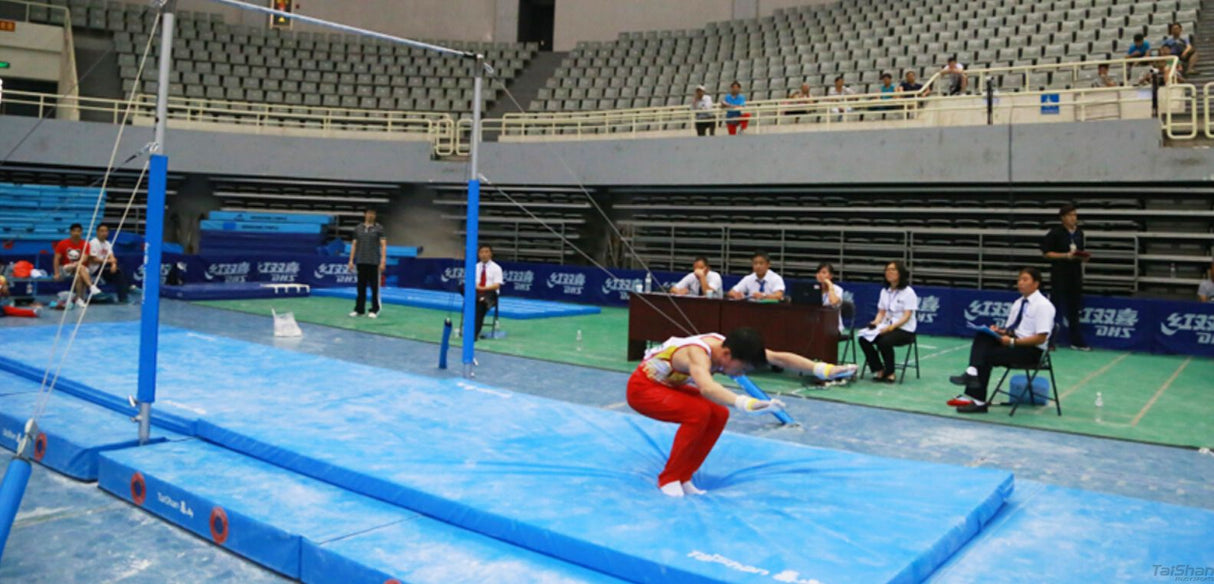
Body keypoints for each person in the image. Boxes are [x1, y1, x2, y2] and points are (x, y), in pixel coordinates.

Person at [627, 327, 857, 496]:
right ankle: (668, 478)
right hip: (642, 389)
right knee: (698, 413)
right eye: (743, 366)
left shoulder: (729, 347)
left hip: (669, 387)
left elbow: (778, 357)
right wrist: (745, 403)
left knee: (719, 414)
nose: (743, 371)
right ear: (727, 355)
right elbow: (707, 388)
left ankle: (684, 476)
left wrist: (824, 369)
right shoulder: (696, 354)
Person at [947, 268, 1055, 414]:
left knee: (984, 356)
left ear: (1036, 284)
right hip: (1014, 343)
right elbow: (1012, 330)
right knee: (983, 336)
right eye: (1019, 280)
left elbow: (1041, 337)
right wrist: (1000, 331)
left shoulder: (1043, 306)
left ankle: (978, 399)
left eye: (1025, 280)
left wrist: (1012, 342)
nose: (1020, 283)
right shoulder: (1018, 303)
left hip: (1030, 351)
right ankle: (972, 374)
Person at [858, 261, 918, 383]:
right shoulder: (885, 291)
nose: (889, 272)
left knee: (884, 341)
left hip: (904, 330)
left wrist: (890, 328)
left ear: (900, 273)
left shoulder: (908, 292)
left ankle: (890, 372)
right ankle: (879, 369)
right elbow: (881, 312)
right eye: (887, 270)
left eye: (893, 270)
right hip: (885, 326)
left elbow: (906, 316)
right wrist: (875, 323)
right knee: (863, 339)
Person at [1041, 204, 1090, 350]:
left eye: (1075, 215)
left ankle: (1076, 341)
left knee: (1074, 309)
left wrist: (1082, 257)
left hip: (1074, 274)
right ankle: (1047, 340)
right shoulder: (1055, 233)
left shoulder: (1079, 233)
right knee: (1053, 308)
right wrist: (1065, 256)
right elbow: (1046, 253)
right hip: (1059, 274)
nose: (1073, 218)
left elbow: (1079, 250)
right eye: (1070, 215)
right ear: (1063, 218)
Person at [347, 208, 386, 318]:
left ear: (375, 215)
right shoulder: (358, 228)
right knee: (360, 287)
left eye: (373, 213)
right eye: (369, 213)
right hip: (361, 261)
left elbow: (383, 245)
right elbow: (354, 245)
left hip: (374, 262)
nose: (370, 215)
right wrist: (351, 260)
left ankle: (375, 309)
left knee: (374, 288)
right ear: (365, 214)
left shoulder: (379, 228)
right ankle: (359, 309)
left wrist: (383, 260)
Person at [53, 223, 97, 308]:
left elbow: (85, 257)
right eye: (74, 231)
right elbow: (56, 259)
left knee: (78, 276)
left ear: (81, 232)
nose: (76, 233)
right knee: (80, 267)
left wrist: (77, 264)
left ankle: (79, 299)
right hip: (66, 268)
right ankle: (91, 286)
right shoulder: (62, 243)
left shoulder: (86, 244)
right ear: (70, 232)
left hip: (80, 268)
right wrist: (56, 273)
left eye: (78, 231)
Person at [86, 224, 131, 304]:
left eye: (106, 231)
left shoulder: (107, 244)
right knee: (118, 272)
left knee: (119, 270)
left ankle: (125, 294)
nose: (104, 233)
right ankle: (125, 294)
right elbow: (93, 259)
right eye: (101, 231)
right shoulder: (93, 243)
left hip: (105, 267)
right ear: (97, 232)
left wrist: (113, 265)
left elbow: (112, 257)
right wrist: (109, 262)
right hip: (95, 268)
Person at [473, 244, 503, 339]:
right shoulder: (474, 267)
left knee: (480, 306)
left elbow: (497, 285)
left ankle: (474, 334)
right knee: (462, 287)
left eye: (486, 252)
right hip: (476, 293)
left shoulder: (496, 268)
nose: (484, 254)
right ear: (478, 254)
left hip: (490, 294)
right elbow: (470, 282)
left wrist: (483, 289)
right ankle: (479, 298)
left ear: (491, 254)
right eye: (482, 252)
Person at [815, 262, 845, 333]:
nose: (820, 275)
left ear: (831, 276)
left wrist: (830, 285)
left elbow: (833, 302)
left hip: (833, 325)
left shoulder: (838, 289)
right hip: (816, 324)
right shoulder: (813, 289)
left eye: (824, 273)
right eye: (818, 272)